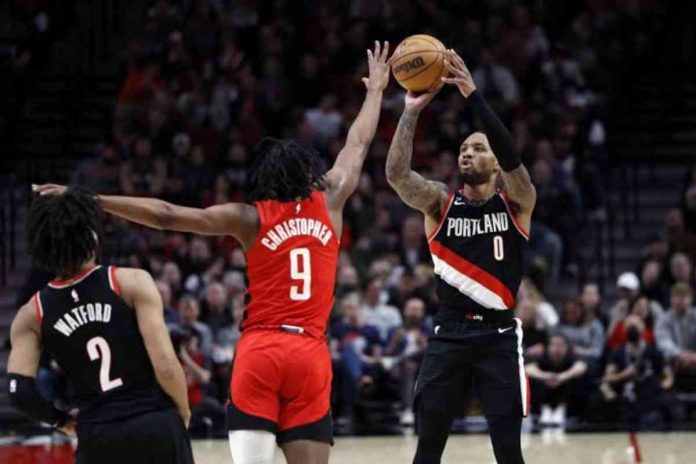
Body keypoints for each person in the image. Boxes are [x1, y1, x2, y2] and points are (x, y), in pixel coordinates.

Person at [34, 41, 390, 464]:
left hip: (260, 350)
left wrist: (92, 199)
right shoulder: (331, 200)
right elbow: (359, 141)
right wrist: (376, 92)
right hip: (309, 353)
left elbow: (167, 215)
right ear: (310, 171)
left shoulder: (250, 217)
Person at [386, 49, 535, 464]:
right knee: (427, 450)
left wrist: (473, 97)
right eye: (464, 148)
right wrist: (411, 112)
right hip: (449, 334)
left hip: (499, 337)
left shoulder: (518, 202)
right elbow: (397, 176)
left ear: (496, 164)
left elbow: (512, 154)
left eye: (478, 149)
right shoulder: (439, 202)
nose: (467, 153)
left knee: (509, 452)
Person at [7, 188, 193, 463]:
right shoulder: (130, 282)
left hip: (97, 435)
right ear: (91, 236)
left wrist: (62, 421)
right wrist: (182, 411)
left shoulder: (32, 313)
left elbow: (19, 391)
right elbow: (165, 364)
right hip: (153, 420)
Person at [601, 315, 675, 429]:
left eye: (636, 326)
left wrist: (661, 387)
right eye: (629, 326)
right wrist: (624, 375)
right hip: (627, 398)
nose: (633, 329)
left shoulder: (654, 351)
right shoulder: (617, 353)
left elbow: (668, 376)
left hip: (650, 398)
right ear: (624, 329)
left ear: (643, 328)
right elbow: (608, 377)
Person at [525, 334, 587, 426]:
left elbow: (582, 367)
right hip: (544, 392)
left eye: (560, 345)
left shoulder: (571, 356)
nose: (557, 349)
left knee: (576, 379)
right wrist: (545, 376)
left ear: (566, 347)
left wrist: (562, 377)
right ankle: (545, 410)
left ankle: (561, 410)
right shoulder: (542, 355)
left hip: (565, 393)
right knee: (534, 381)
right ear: (548, 346)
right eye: (554, 345)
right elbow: (528, 368)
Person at [655, 283, 696, 392]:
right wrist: (679, 354)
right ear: (671, 299)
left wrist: (693, 357)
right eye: (676, 297)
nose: (679, 301)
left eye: (683, 297)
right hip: (674, 361)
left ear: (690, 299)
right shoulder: (664, 318)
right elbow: (663, 341)